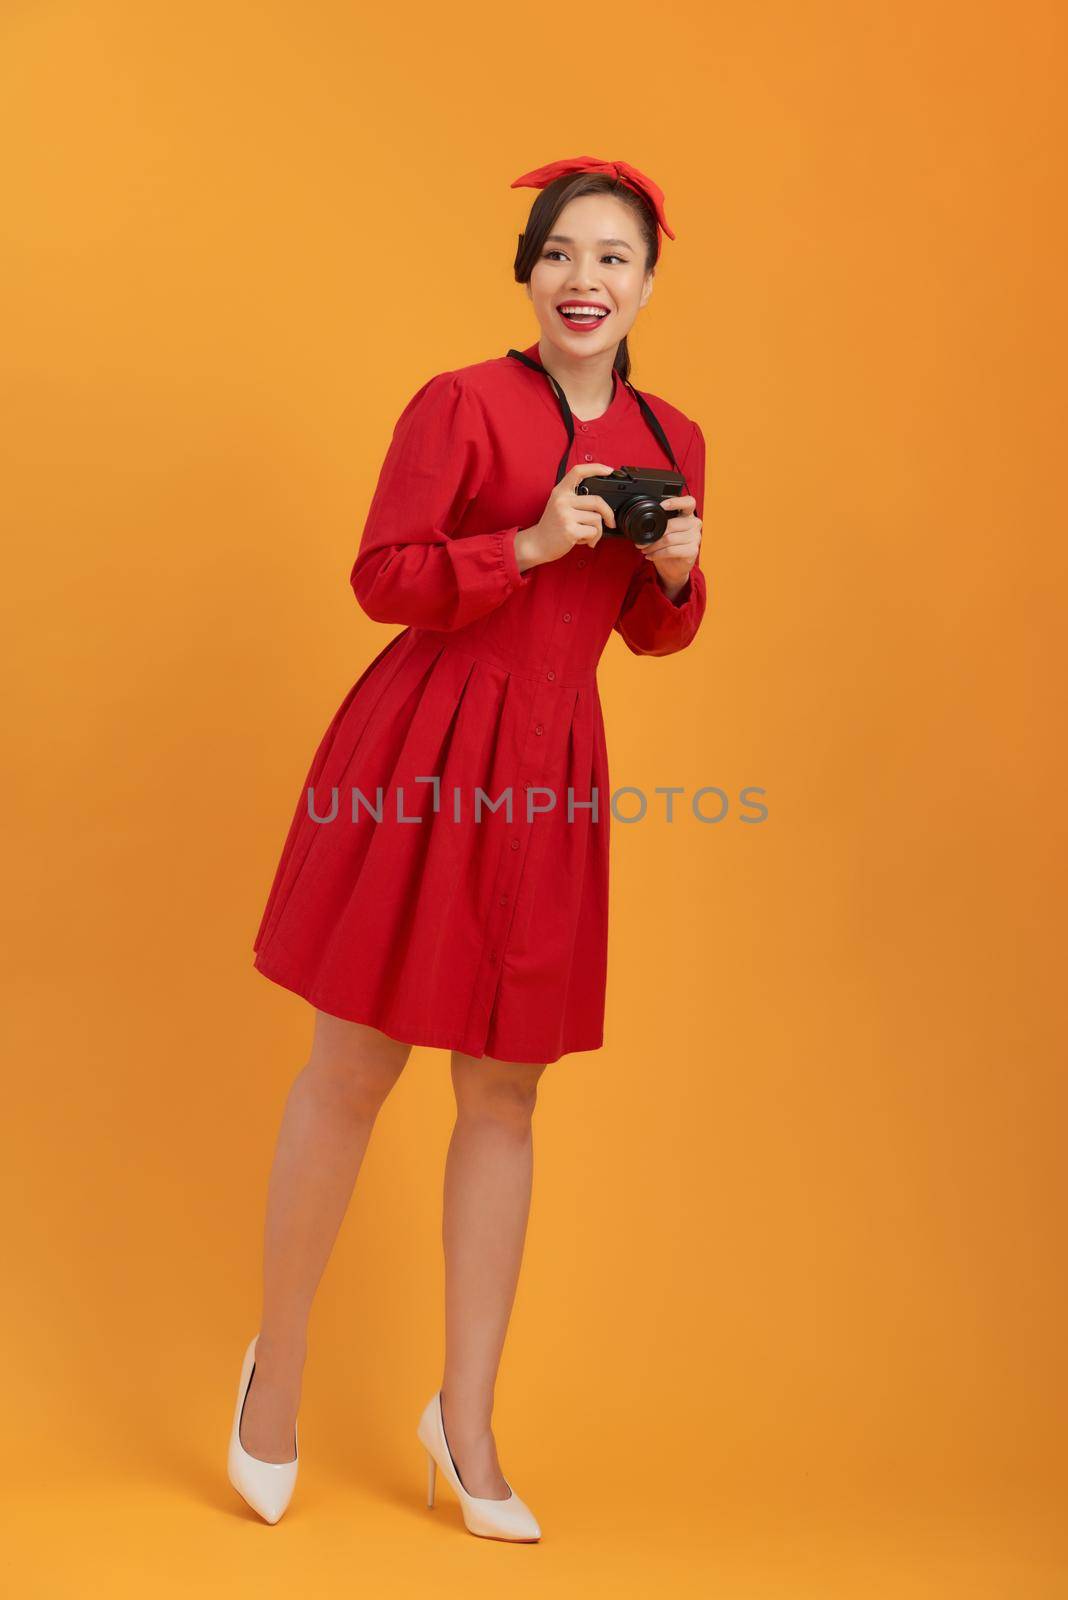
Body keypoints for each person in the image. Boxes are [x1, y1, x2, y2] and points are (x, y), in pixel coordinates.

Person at [227, 155, 709, 1540]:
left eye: (614, 258)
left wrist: (675, 574)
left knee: (509, 1094)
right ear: (529, 270)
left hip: (554, 773)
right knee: (354, 1062)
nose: (586, 281)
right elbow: (383, 574)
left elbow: (653, 633)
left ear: (649, 284)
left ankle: (467, 1419)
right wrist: (526, 541)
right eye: (562, 253)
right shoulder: (462, 404)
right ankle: (279, 1374)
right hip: (427, 751)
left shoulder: (677, 436)